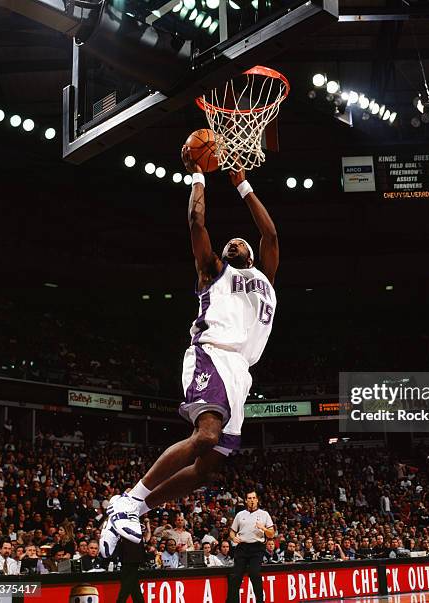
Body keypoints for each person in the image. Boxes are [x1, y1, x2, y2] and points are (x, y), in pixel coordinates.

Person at [103, 151, 279, 551]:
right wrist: (199, 176)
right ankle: (129, 501)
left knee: (205, 470)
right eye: (229, 242)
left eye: (240, 242)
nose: (234, 242)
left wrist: (243, 184)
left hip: (240, 372)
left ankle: (132, 509)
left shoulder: (264, 280)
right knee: (205, 435)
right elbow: (196, 222)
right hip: (211, 351)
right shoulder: (214, 270)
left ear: (250, 254)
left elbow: (270, 234)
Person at [227, 491, 275, 603]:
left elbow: (271, 534)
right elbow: (232, 532)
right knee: (236, 577)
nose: (252, 500)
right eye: (249, 498)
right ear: (246, 500)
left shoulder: (264, 514)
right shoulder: (240, 515)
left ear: (257, 500)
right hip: (242, 547)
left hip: (257, 548)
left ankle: (260, 601)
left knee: (255, 574)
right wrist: (233, 538)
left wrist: (263, 528)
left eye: (254, 498)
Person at [114, 526, 147, 603]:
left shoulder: (130, 523)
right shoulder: (132, 523)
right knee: (133, 586)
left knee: (128, 585)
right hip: (129, 558)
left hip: (131, 557)